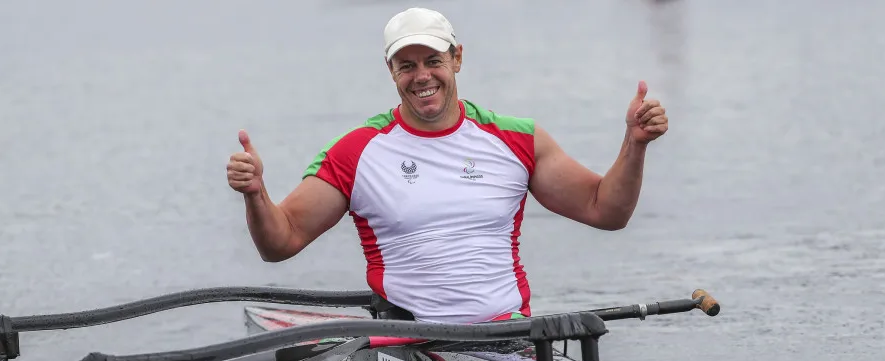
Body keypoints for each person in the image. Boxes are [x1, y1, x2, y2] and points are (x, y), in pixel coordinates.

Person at [226, 7, 668, 325]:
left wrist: (634, 144)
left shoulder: (517, 139)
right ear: (391, 70)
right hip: (410, 343)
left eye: (433, 61)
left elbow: (605, 211)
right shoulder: (356, 152)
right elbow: (280, 242)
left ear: (457, 58)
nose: (422, 76)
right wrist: (256, 194)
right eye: (407, 66)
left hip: (508, 334)